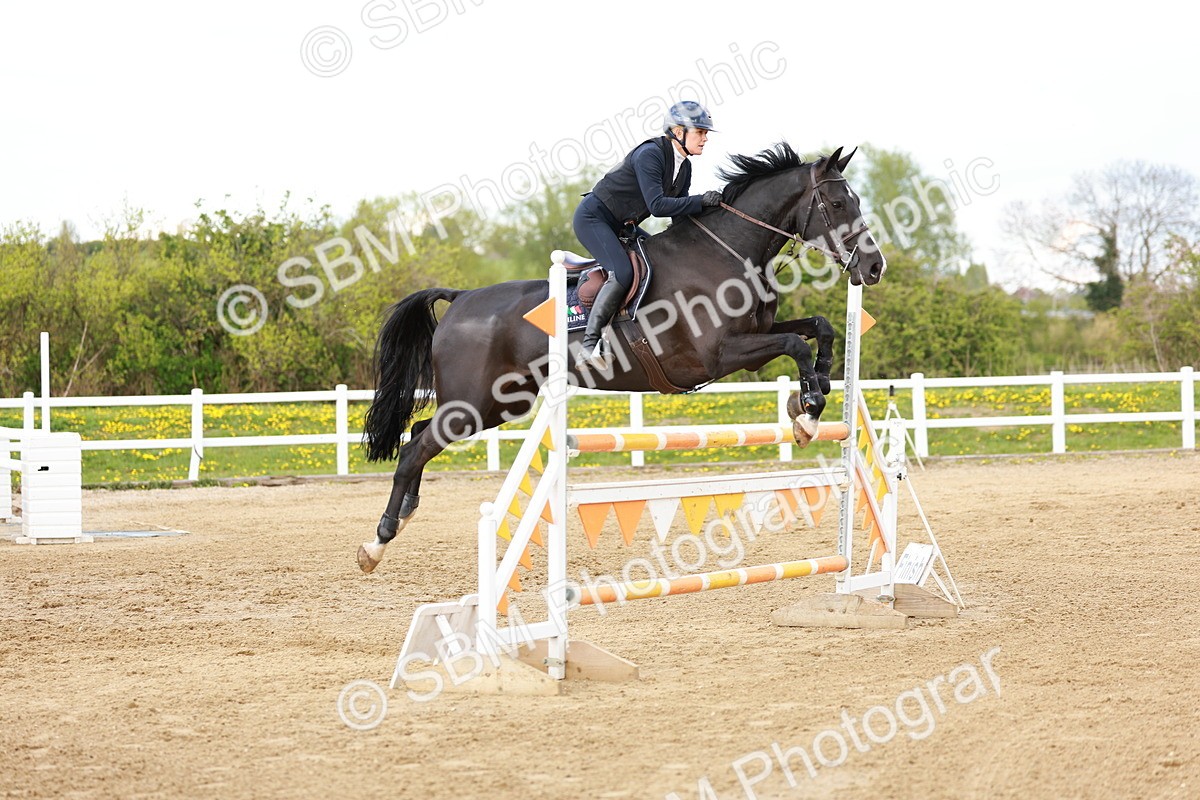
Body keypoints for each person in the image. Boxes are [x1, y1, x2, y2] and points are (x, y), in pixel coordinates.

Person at [572, 100, 723, 369]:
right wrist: (702, 201)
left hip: (622, 225)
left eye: (705, 133)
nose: (705, 138)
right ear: (678, 132)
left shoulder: (684, 166)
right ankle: (589, 346)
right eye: (700, 132)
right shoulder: (650, 155)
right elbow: (658, 206)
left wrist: (711, 224)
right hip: (594, 218)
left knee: (657, 260)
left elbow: (679, 215)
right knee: (624, 272)